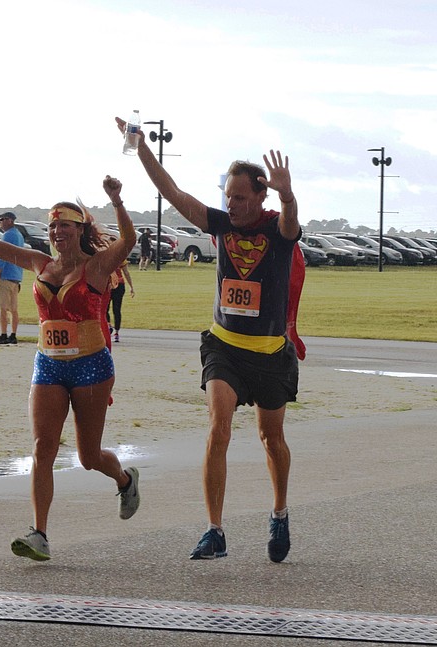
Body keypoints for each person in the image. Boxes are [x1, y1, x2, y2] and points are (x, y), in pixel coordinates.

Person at [117, 116, 301, 563]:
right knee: (218, 429)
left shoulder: (277, 231)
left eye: (240, 197)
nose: (232, 204)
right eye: (228, 196)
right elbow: (174, 194)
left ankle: (279, 512)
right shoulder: (221, 225)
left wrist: (288, 193)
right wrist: (141, 148)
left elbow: (293, 224)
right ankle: (214, 530)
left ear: (260, 195)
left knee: (270, 438)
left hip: (271, 354)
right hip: (224, 347)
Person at [0, 175, 140, 562]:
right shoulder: (40, 263)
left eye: (64, 225)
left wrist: (117, 202)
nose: (56, 232)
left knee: (88, 457)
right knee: (42, 448)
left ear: (79, 230)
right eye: (52, 226)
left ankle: (124, 479)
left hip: (91, 367)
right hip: (48, 365)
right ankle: (39, 533)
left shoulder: (98, 265)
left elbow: (129, 241)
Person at [0, 212, 25, 345]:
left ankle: (3, 334)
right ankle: (13, 334)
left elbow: (4, 254)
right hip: (16, 276)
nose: (0, 222)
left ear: (10, 220)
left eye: (2, 219)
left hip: (6, 275)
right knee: (13, 309)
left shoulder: (8, 235)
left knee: (2, 307)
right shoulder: (19, 235)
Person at [106, 253, 135, 344]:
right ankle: (114, 331)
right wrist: (131, 286)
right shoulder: (119, 257)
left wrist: (131, 286)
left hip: (111, 285)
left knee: (108, 309)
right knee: (115, 309)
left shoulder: (105, 257)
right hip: (115, 284)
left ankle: (112, 328)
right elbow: (126, 272)